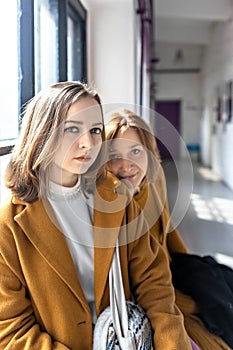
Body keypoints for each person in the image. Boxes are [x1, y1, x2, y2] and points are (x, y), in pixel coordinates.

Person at [0, 81, 192, 349]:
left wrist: (171, 344)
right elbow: (10, 329)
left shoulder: (117, 198)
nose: (88, 143)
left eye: (95, 130)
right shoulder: (8, 223)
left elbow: (155, 284)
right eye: (72, 129)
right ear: (43, 133)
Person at [105, 110, 232, 350]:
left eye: (135, 152)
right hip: (145, 300)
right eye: (114, 155)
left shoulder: (154, 181)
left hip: (170, 277)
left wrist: (191, 271)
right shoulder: (109, 205)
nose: (126, 165)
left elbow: (167, 230)